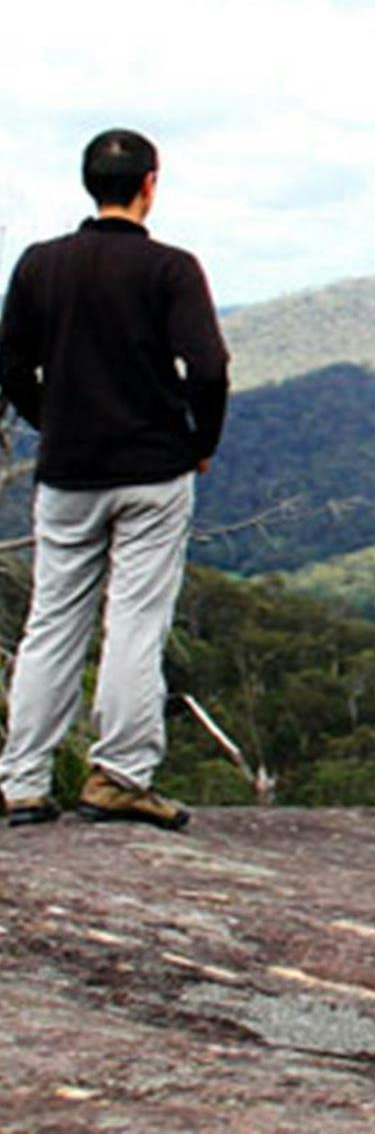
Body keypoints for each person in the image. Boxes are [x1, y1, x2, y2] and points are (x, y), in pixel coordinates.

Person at [0, 130, 230, 830]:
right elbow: (209, 368)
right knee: (134, 622)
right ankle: (121, 776)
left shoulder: (40, 264)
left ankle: (22, 781)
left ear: (88, 182)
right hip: (153, 470)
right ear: (149, 185)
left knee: (52, 621)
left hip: (68, 470)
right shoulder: (170, 269)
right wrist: (200, 443)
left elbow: (11, 368)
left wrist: (52, 421)